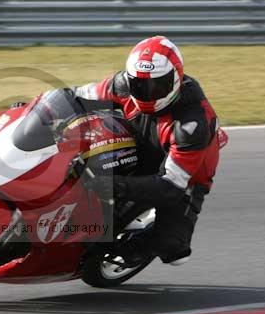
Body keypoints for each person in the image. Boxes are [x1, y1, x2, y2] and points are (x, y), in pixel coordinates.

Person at [75, 35, 224, 266]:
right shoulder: (123, 84)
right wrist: (35, 109)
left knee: (174, 249)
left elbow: (171, 187)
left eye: (156, 86)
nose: (147, 92)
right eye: (140, 85)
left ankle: (136, 243)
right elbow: (78, 95)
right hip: (139, 143)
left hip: (185, 177)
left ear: (175, 79)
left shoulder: (191, 125)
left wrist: (115, 186)